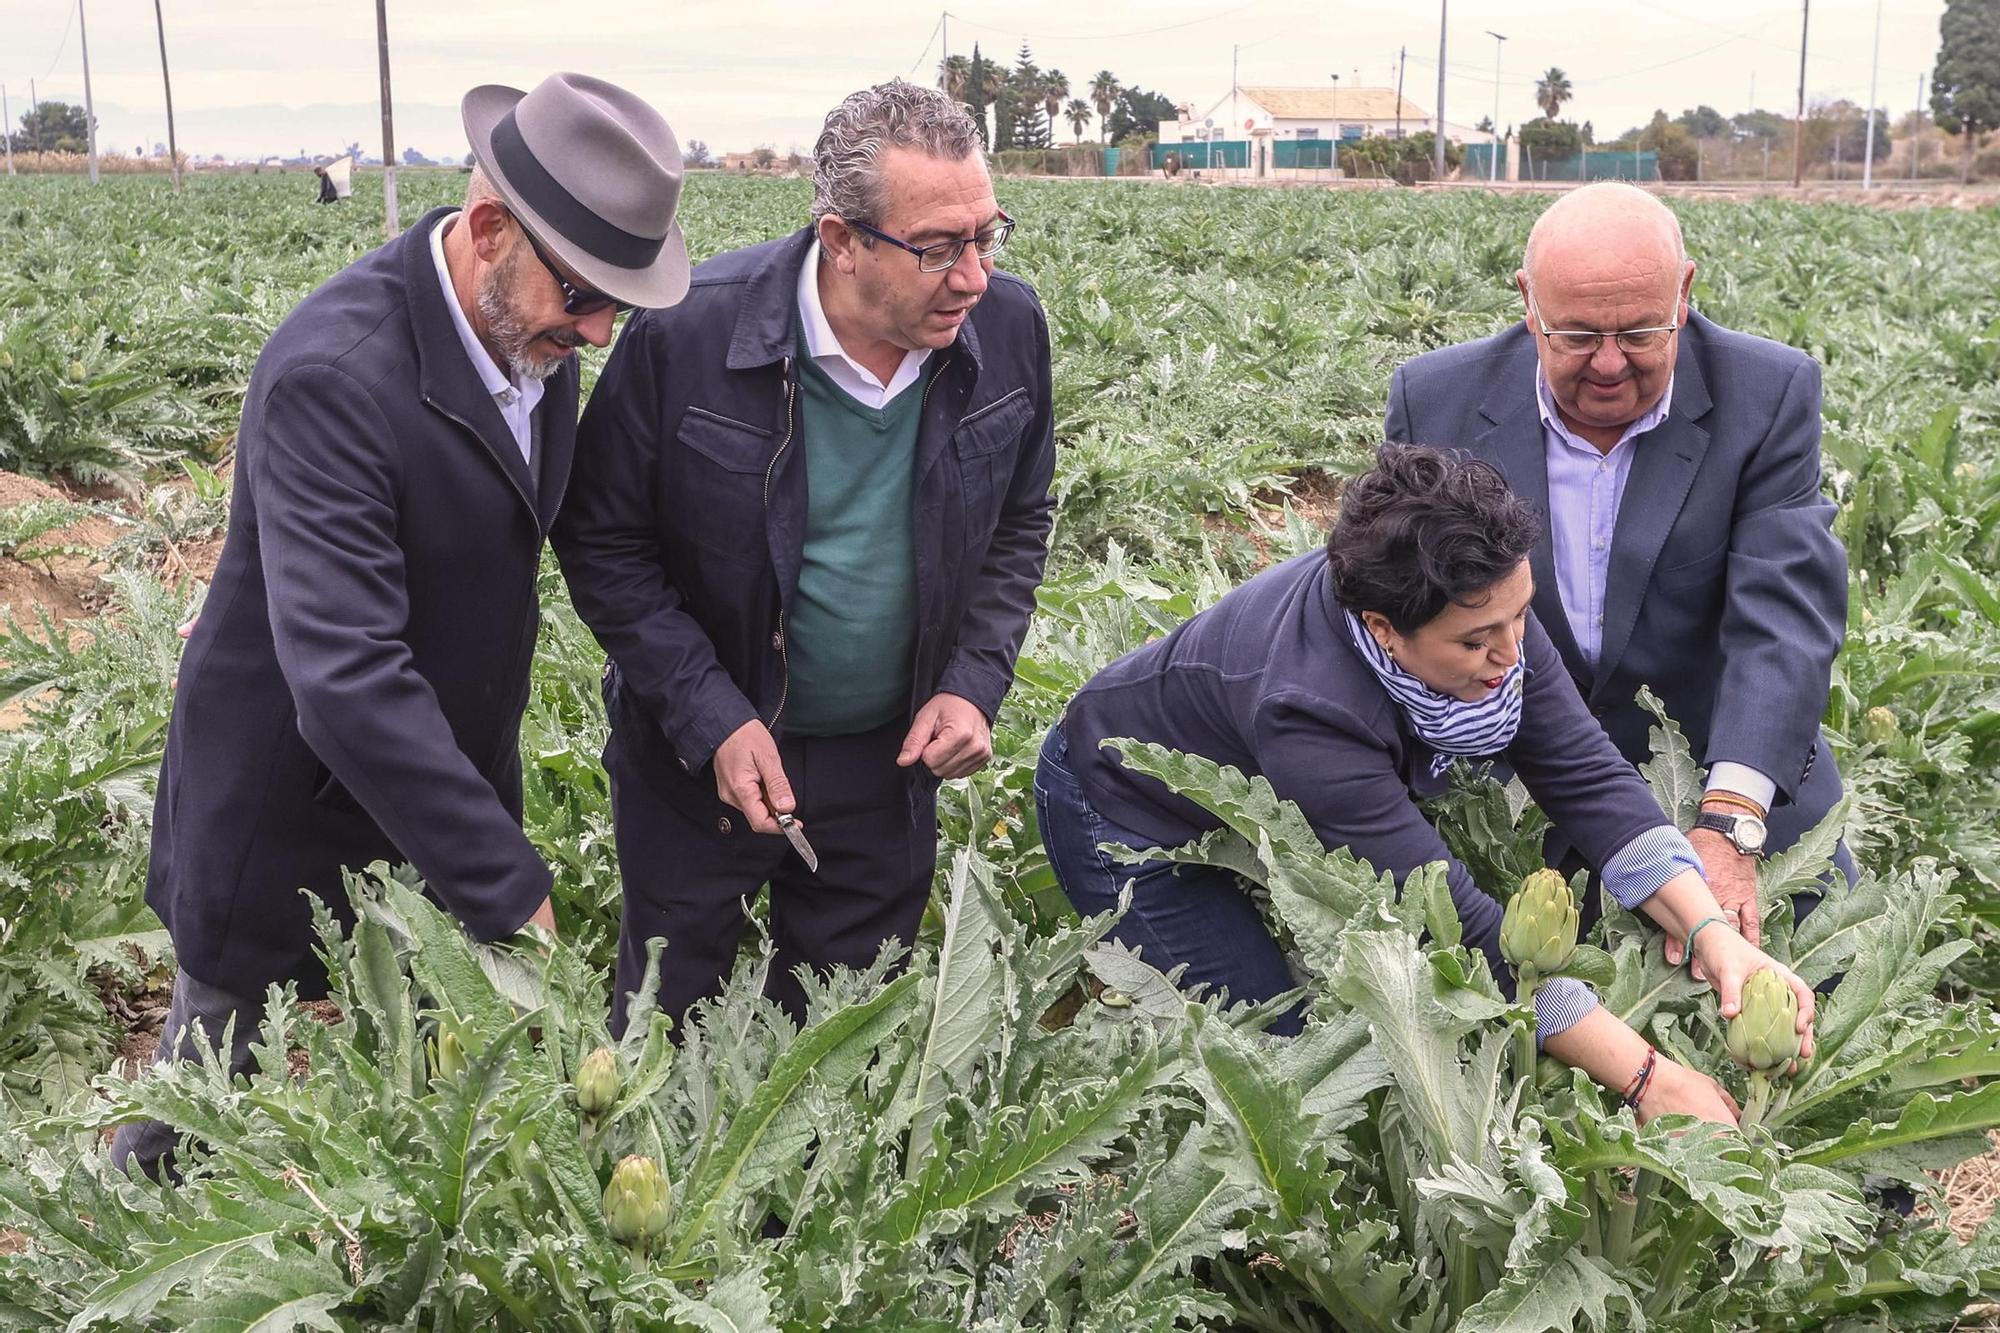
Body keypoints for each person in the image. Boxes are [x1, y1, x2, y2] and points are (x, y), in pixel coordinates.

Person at [119, 73, 691, 1179]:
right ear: (488, 232)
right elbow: (344, 677)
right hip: (285, 800)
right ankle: (109, 1258)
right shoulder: (333, 377)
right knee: (203, 1090)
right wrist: (504, 878)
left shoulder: (529, 337)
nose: (599, 328)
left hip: (443, 792)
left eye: (614, 302)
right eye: (583, 297)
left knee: (427, 1111)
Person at [1038, 445, 1815, 1125]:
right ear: (1383, 629)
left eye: (1521, 618)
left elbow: (1587, 776)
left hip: (1260, 781)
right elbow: (1459, 933)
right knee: (1285, 1065)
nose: (1513, 653)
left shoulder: (1480, 596)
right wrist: (1648, 1078)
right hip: (1125, 811)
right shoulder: (1305, 709)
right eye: (1478, 641)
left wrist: (1715, 937)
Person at [553, 79, 1055, 1033]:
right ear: (841, 239)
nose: (973, 277)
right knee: (668, 1022)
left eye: (988, 237)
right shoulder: (685, 334)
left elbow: (1021, 522)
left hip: (889, 760)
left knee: (840, 1043)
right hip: (703, 761)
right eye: (940, 248)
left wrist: (975, 679)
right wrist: (711, 714)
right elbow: (602, 540)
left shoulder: (1011, 329)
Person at [1386, 182, 1851, 961]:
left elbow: (1784, 615)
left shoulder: (1767, 395)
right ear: (1529, 302)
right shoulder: (1436, 401)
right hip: (1509, 784)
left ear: (1686, 292)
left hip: (1718, 771)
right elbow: (1395, 608)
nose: (1608, 364)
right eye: (1575, 335)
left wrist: (1732, 820)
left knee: (1821, 992)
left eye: (1640, 331)